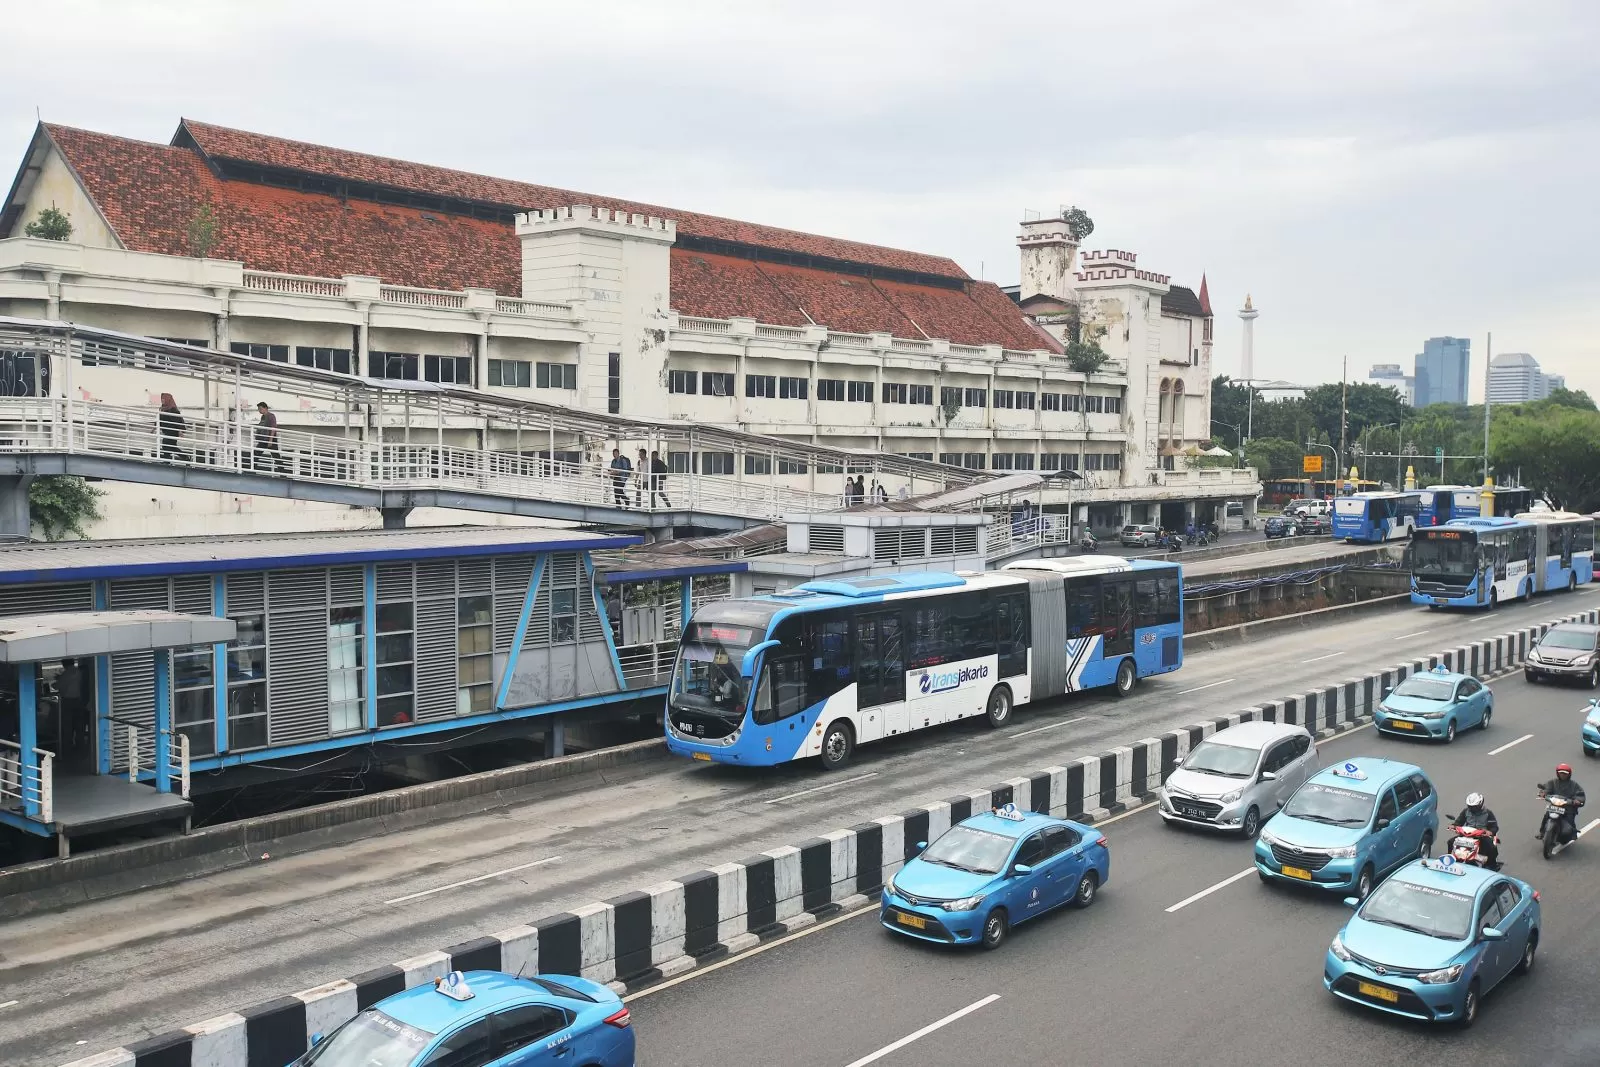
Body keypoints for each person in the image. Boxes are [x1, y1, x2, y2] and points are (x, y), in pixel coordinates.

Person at [1536, 763, 1586, 841]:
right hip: (1555, 805)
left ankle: (1572, 834)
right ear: (1558, 773)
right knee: (1546, 815)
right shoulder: (1553, 782)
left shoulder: (1574, 785)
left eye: (1565, 773)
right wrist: (1544, 793)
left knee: (1570, 820)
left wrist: (1577, 801)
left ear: (1569, 774)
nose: (1563, 775)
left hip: (1568, 807)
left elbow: (1580, 795)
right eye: (1561, 773)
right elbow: (1547, 789)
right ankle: (1542, 832)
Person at [1451, 792, 1500, 868]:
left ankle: (1492, 865)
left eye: (1474, 807)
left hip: (1481, 836)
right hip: (1466, 834)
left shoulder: (1488, 813)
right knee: (1450, 842)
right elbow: (1458, 822)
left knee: (1491, 847)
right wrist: (1453, 826)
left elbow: (1494, 827)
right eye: (1470, 806)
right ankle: (1450, 860)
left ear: (1480, 804)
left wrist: (1489, 832)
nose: (1472, 808)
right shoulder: (1466, 811)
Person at [254, 401, 283, 472]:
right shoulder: (263, 417)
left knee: (276, 456)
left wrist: (270, 440)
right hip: (263, 439)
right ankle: (252, 469)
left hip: (271, 439)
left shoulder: (271, 416)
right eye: (258, 409)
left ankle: (283, 473)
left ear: (265, 408)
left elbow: (273, 428)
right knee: (256, 453)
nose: (259, 410)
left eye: (260, 408)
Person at [158, 393, 187, 461]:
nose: (162, 400)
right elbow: (159, 419)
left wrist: (180, 431)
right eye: (161, 399)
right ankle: (185, 457)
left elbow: (178, 420)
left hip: (173, 431)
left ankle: (166, 461)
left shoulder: (173, 409)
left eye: (163, 399)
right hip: (167, 430)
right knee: (171, 446)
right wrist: (154, 428)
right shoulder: (162, 408)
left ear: (167, 399)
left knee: (166, 444)